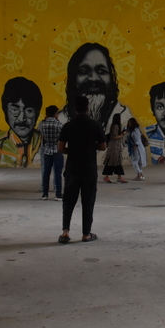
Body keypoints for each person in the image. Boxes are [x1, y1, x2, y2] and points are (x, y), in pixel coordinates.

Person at [57, 96, 107, 244]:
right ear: (88, 108)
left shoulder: (68, 126)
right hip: (89, 170)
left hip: (72, 169)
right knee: (88, 201)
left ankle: (65, 232)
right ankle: (86, 234)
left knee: (68, 201)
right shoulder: (95, 125)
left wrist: (72, 150)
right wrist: (91, 148)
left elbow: (60, 148)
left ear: (75, 109)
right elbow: (103, 146)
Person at [58, 43, 132, 133]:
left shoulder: (125, 120)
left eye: (101, 71)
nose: (94, 78)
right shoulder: (60, 122)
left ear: (111, 78)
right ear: (73, 79)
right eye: (84, 71)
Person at [0, 77, 43, 167]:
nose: (21, 118)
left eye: (29, 111)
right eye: (15, 110)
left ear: (37, 113)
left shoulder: (43, 142)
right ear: (5, 111)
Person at [38, 105, 64, 200]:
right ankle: (58, 194)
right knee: (58, 173)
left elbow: (42, 136)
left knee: (46, 172)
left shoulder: (42, 124)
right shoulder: (59, 125)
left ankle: (45, 194)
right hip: (57, 150)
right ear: (55, 113)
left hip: (46, 150)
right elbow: (62, 136)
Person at [102, 114, 128, 184]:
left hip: (114, 147)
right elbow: (115, 136)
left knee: (115, 163)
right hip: (114, 147)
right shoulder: (116, 126)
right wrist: (123, 134)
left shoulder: (114, 126)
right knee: (114, 162)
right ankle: (111, 177)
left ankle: (115, 177)